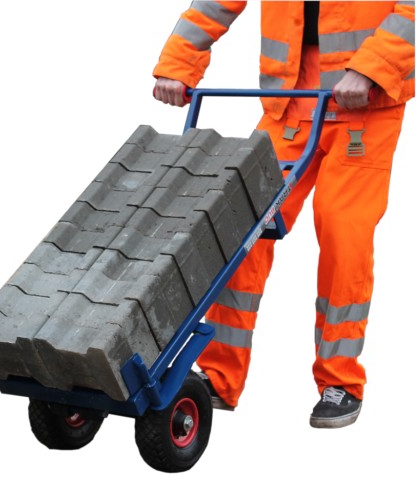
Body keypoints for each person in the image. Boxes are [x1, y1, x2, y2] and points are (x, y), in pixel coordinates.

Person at [152, 1, 415, 428]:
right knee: (237, 225)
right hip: (290, 100)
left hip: (365, 104)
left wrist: (371, 68)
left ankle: (341, 381)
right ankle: (219, 376)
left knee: (343, 230)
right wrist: (178, 64)